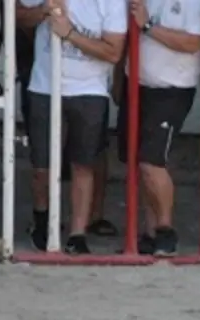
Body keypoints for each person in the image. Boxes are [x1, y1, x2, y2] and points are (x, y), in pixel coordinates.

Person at [18, 0, 127, 254]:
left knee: (83, 165)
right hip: (44, 86)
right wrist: (42, 11)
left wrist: (69, 34)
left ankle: (77, 233)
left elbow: (113, 52)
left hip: (88, 89)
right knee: (41, 166)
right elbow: (16, 16)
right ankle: (42, 222)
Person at [118, 0, 200, 258]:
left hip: (172, 88)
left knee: (151, 161)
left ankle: (166, 229)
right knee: (138, 161)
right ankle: (150, 231)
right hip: (136, 83)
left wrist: (148, 26)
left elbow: (194, 43)